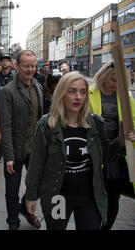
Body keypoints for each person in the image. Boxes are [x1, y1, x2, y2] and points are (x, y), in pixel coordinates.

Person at [25, 71, 135, 230]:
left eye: (83, 92)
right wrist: (31, 195)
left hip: (88, 196)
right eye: (72, 91)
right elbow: (36, 164)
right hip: (58, 197)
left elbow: (103, 156)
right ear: (62, 93)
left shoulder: (95, 123)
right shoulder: (48, 125)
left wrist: (120, 141)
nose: (78, 97)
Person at [0, 50, 43, 230]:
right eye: (26, 66)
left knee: (37, 185)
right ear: (17, 66)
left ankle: (26, 208)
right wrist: (8, 155)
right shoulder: (8, 91)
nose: (30, 69)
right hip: (15, 151)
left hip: (35, 150)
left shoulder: (38, 87)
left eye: (33, 66)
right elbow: (6, 126)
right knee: (12, 190)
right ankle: (13, 222)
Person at [89, 60, 135, 230]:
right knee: (93, 197)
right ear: (104, 77)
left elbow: (134, 122)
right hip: (95, 155)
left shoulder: (126, 97)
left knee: (113, 198)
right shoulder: (89, 93)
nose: (117, 84)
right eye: (114, 80)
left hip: (116, 157)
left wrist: (132, 134)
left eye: (122, 81)